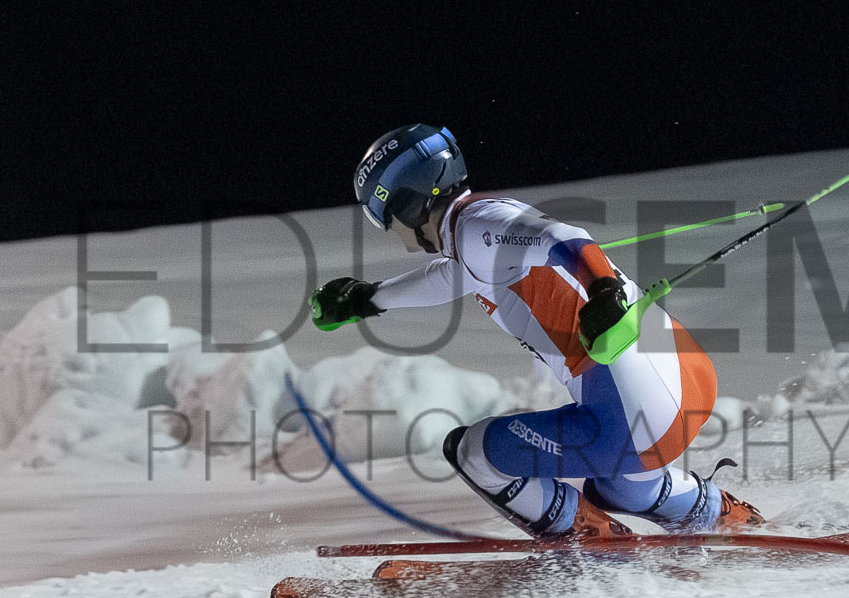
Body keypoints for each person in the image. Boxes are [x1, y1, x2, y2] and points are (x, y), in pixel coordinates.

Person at [310, 122, 763, 538]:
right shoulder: (475, 233)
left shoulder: (476, 229)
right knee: (620, 488)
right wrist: (367, 298)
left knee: (473, 453)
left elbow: (567, 238)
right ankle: (717, 514)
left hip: (636, 419)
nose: (389, 230)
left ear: (405, 202)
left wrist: (602, 289)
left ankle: (588, 543)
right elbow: (448, 277)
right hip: (687, 382)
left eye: (382, 215)